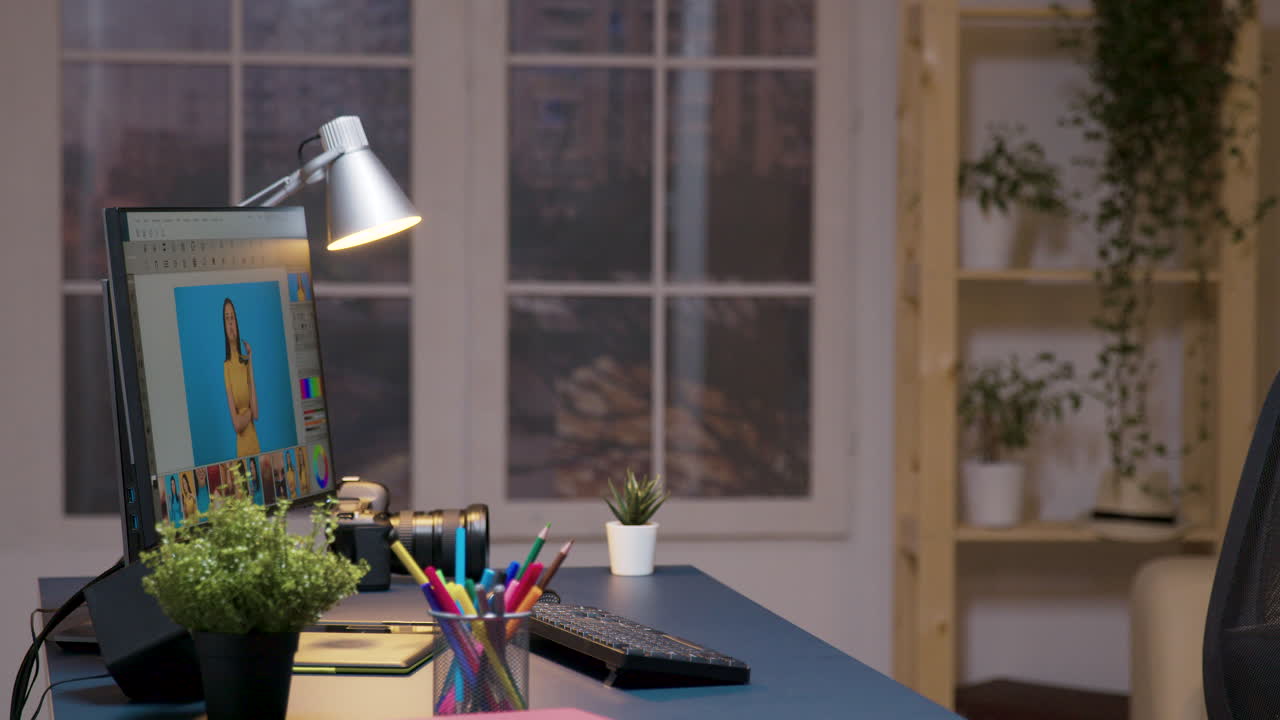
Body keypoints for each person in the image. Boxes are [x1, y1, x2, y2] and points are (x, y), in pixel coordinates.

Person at [222, 298, 260, 457]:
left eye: (232, 318)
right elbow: (237, 425)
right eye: (227, 318)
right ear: (224, 326)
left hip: (254, 442)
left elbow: (256, 414)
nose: (230, 323)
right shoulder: (226, 367)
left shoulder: (245, 361)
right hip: (242, 447)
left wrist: (250, 360)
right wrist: (249, 413)